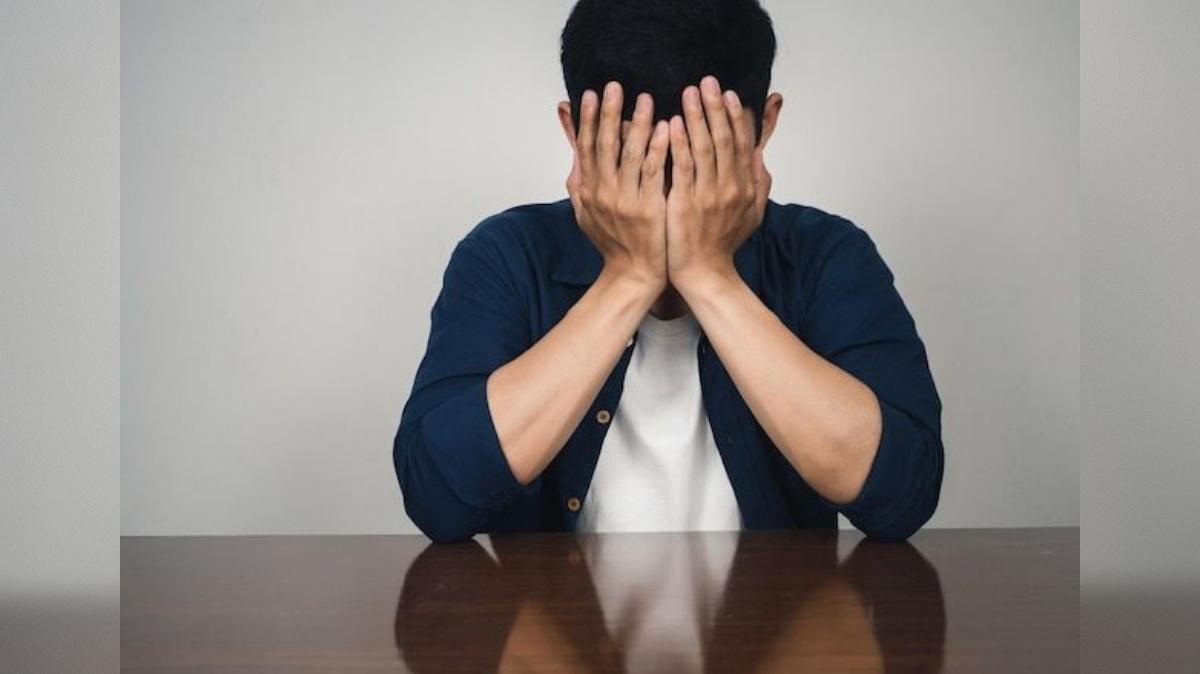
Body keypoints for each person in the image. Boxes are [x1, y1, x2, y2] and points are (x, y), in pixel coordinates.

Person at [392, 0, 943, 543]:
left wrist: (710, 276)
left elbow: (902, 497)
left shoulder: (826, 254)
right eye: (632, 154)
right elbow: (438, 500)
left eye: (705, 154)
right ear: (574, 131)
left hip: (773, 606)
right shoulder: (506, 254)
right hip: (559, 608)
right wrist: (628, 277)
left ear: (765, 125)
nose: (668, 190)